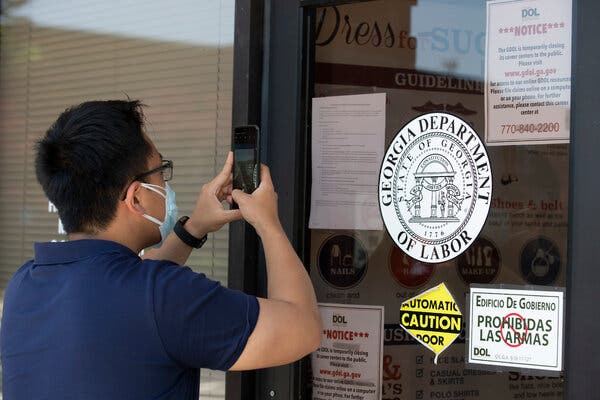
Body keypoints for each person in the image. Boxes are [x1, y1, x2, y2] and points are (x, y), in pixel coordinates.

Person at [0, 100, 322, 399]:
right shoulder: (165, 297)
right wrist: (268, 222)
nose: (166, 184)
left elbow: (129, 295)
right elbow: (304, 327)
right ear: (136, 197)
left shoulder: (23, 288)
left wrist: (194, 227)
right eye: (160, 170)